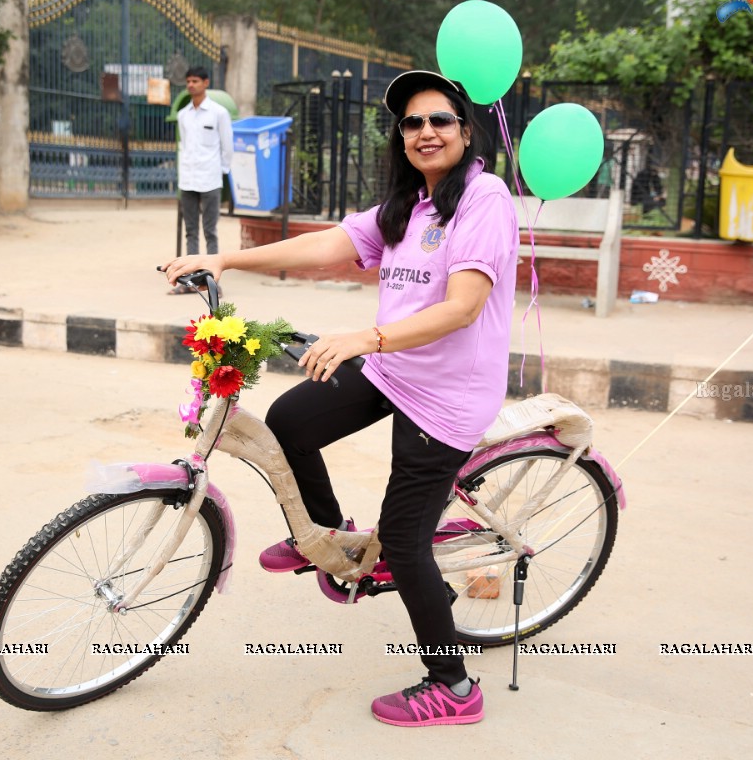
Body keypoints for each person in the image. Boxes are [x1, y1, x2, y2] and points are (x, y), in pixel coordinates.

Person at [163, 70, 518, 727]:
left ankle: (453, 685)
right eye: (412, 123)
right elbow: (330, 243)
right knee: (291, 419)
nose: (425, 132)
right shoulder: (409, 201)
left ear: (466, 132)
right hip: (394, 367)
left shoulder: (484, 198)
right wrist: (225, 260)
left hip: (445, 394)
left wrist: (367, 337)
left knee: (407, 542)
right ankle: (330, 542)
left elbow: (464, 306)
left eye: (440, 120)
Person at [170, 65, 232, 292]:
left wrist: (220, 171)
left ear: (205, 83)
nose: (190, 85)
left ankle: (213, 283)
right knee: (191, 232)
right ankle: (189, 281)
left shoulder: (218, 113)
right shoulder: (183, 114)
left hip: (210, 179)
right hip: (187, 179)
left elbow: (227, 147)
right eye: (188, 81)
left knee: (210, 231)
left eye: (195, 81)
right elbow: (184, 146)